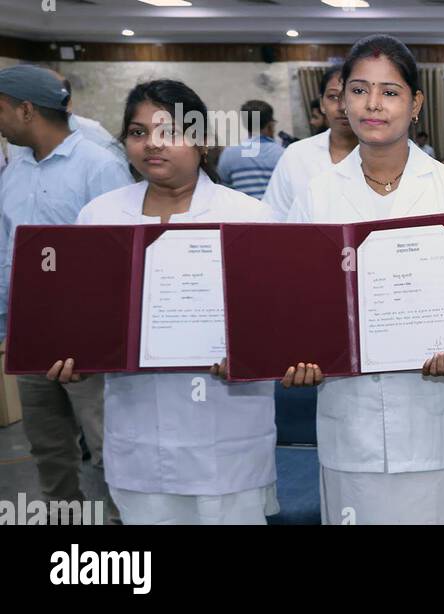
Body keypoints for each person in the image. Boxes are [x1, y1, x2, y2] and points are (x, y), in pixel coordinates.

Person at [282, 34, 444, 525]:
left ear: (415, 102)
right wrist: (300, 352)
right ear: (340, 102)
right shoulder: (317, 195)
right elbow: (295, 298)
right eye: (358, 91)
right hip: (349, 419)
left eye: (390, 91)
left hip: (434, 415)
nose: (373, 104)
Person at [49, 79, 278, 524]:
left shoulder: (250, 217)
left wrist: (254, 356)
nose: (152, 144)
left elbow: (274, 322)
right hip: (138, 437)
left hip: (227, 433)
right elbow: (83, 317)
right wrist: (75, 358)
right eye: (137, 133)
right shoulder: (100, 217)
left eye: (169, 132)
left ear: (203, 141)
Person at [0, 64, 132, 524]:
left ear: (26, 109)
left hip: (87, 340)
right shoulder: (14, 168)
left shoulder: (100, 165)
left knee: (106, 446)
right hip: (31, 333)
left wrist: (105, 336)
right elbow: (7, 252)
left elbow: (122, 259)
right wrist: (6, 324)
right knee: (49, 447)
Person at [262, 65, 359, 222]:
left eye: (352, 96)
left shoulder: (380, 154)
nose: (342, 107)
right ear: (321, 104)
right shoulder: (297, 155)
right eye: (333, 97)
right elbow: (274, 218)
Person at [216, 99, 284, 199]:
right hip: (276, 213)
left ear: (245, 124)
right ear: (270, 125)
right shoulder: (282, 153)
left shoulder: (229, 154)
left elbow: (223, 187)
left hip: (242, 212)